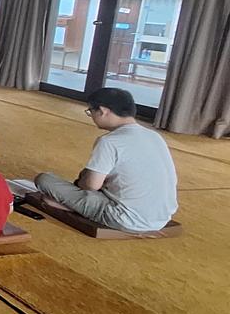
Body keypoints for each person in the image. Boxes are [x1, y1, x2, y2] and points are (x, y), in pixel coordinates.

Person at [34, 88, 177, 232]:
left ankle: (74, 207)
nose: (91, 116)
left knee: (44, 180)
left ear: (103, 111)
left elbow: (91, 186)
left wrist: (83, 181)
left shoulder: (109, 141)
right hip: (162, 217)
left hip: (123, 218)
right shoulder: (155, 136)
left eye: (90, 111)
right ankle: (77, 204)